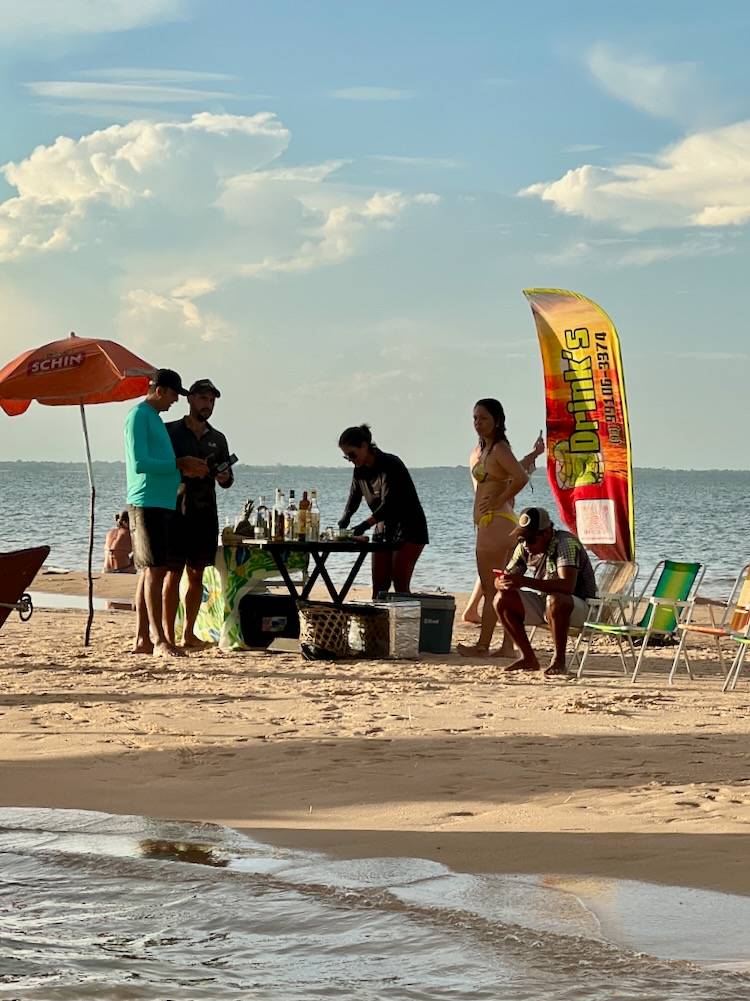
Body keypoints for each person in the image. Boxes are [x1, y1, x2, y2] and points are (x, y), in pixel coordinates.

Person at [124, 369, 208, 657]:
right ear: (160, 390)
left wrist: (182, 466)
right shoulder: (139, 415)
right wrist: (179, 464)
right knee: (156, 570)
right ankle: (159, 640)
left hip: (162, 501)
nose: (175, 401)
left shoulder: (154, 419)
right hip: (146, 500)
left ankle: (143, 639)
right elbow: (140, 463)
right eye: (174, 394)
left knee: (151, 570)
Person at [457, 399, 532, 658]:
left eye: (484, 418)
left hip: (497, 523)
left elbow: (521, 476)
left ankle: (484, 646)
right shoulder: (485, 449)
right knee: (496, 589)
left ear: (497, 421)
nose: (478, 423)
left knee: (493, 589)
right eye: (475, 418)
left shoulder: (499, 448)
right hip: (489, 524)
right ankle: (505, 646)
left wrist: (499, 499)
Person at [163, 379, 235, 648]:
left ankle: (188, 634)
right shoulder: (170, 431)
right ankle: (168, 636)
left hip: (204, 513)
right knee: (172, 573)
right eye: (204, 399)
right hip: (174, 511)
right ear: (190, 399)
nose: (208, 405)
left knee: (196, 574)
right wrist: (182, 468)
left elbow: (227, 480)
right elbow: (159, 467)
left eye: (212, 401)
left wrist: (225, 476)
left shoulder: (218, 438)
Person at [493, 507, 597, 677]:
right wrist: (501, 582)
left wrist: (524, 581)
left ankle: (559, 661)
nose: (526, 544)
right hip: (546, 604)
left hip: (580, 608)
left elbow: (567, 586)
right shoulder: (524, 548)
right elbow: (507, 576)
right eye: (522, 538)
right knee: (501, 599)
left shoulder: (565, 543)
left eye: (531, 539)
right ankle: (528, 657)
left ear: (547, 532)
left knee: (556, 599)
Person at [461, 429, 545, 625]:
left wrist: (534, 454)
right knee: (502, 575)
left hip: (495, 517)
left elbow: (515, 472)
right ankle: (482, 615)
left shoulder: (485, 455)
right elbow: (515, 474)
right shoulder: (486, 456)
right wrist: (533, 455)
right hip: (499, 517)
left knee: (496, 574)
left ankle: (476, 617)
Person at [338, 424, 428, 598]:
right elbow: (354, 497)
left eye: (352, 454)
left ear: (364, 446)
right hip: (383, 528)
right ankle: (378, 624)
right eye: (346, 457)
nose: (350, 459)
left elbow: (390, 504)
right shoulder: (359, 470)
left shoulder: (390, 464)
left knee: (400, 584)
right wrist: (345, 518)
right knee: (379, 588)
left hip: (409, 527)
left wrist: (364, 525)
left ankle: (407, 623)